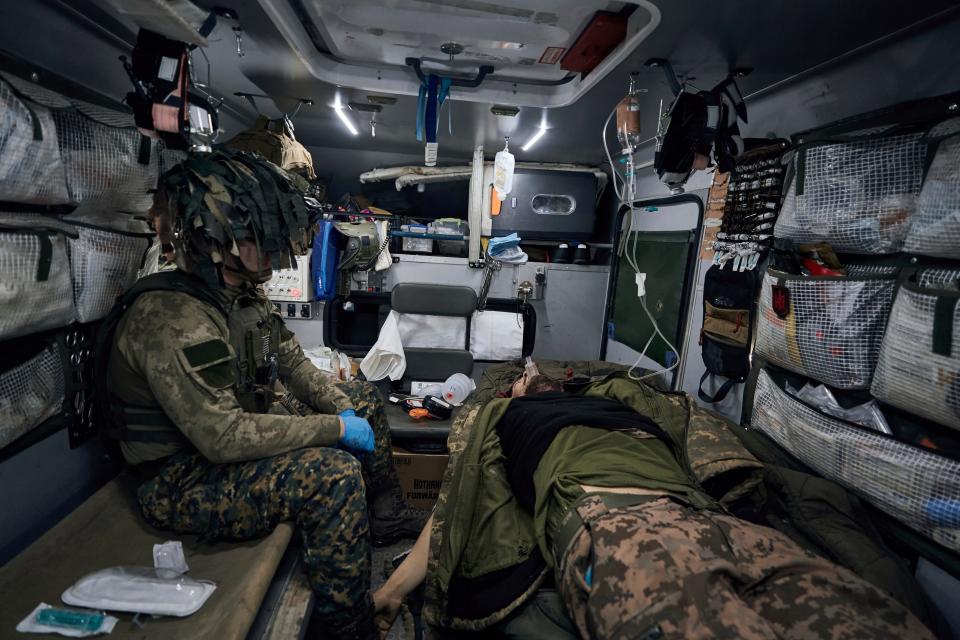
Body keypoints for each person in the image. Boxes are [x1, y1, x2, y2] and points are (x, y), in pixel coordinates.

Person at [99, 149, 423, 640]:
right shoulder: (171, 318)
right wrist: (333, 429)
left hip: (229, 440)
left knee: (361, 394)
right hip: (181, 478)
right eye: (256, 239)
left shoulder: (241, 295)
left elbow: (291, 363)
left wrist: (343, 406)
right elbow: (223, 437)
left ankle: (385, 520)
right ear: (214, 238)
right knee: (332, 477)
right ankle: (349, 625)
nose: (273, 254)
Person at [373, 370, 936, 640]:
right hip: (619, 521)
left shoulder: (619, 402)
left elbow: (684, 415)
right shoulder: (505, 419)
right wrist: (394, 590)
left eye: (534, 377)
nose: (528, 378)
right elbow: (458, 502)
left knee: (875, 620)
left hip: (707, 515)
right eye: (521, 379)